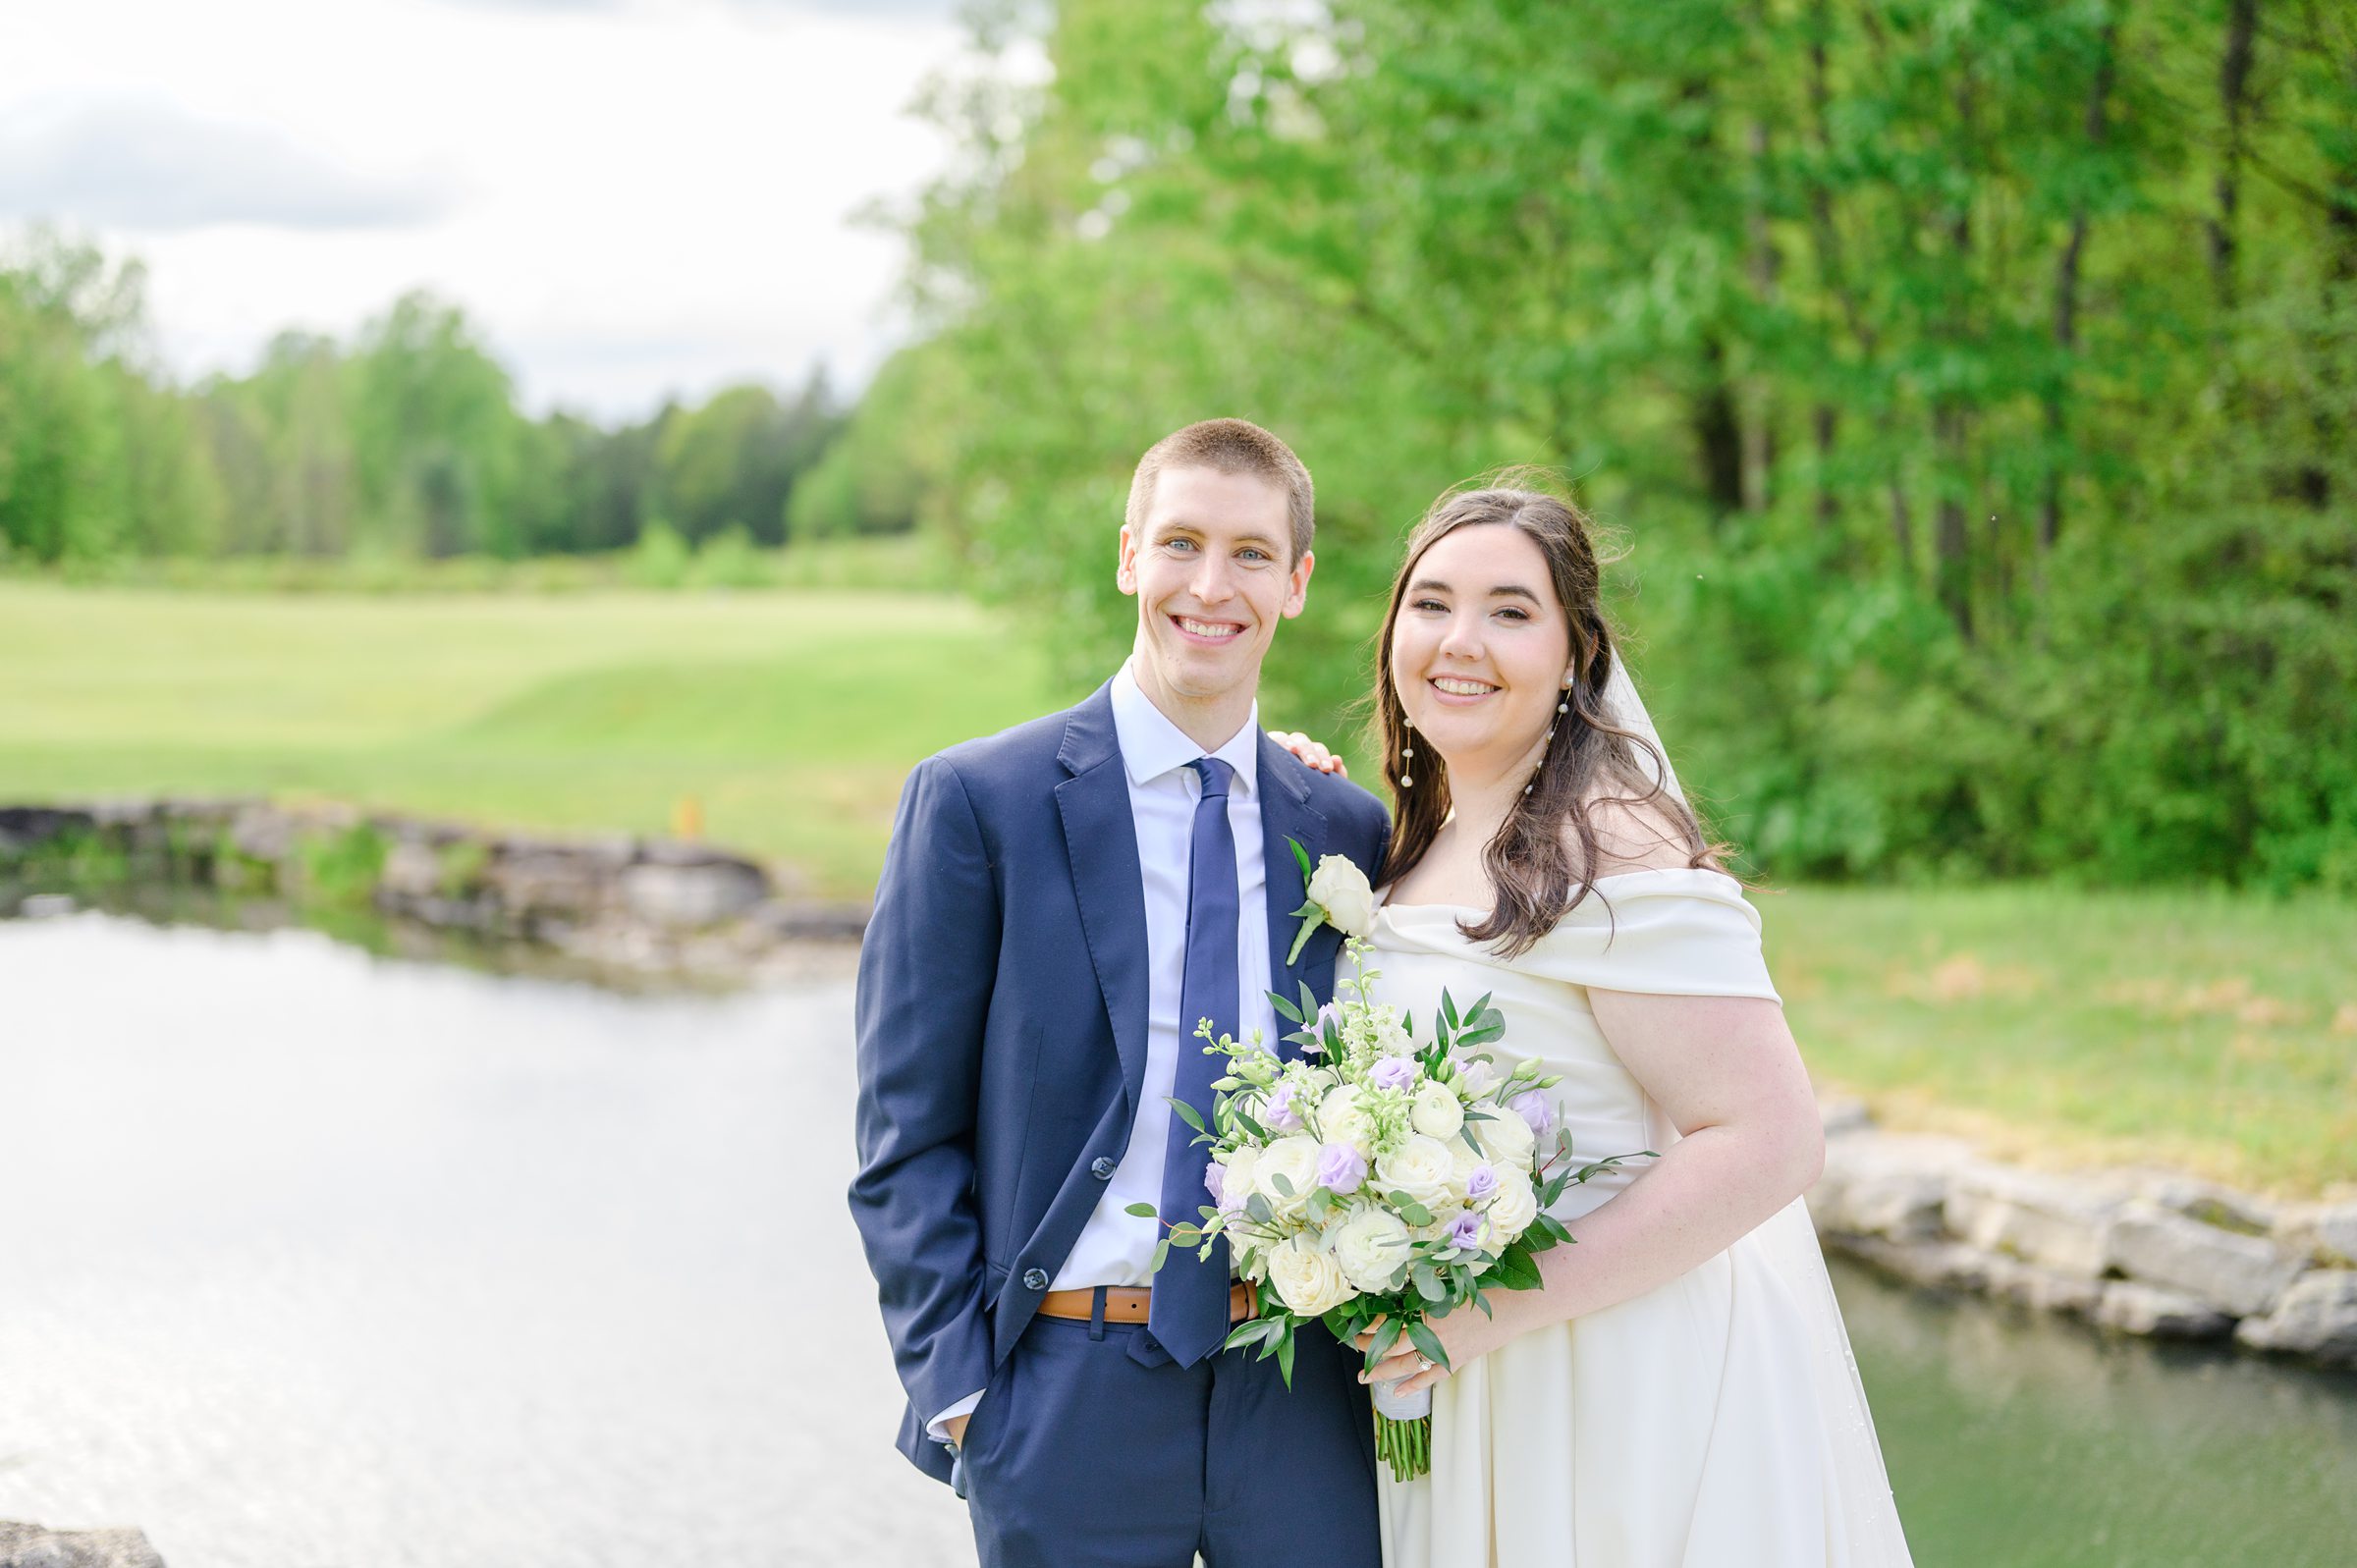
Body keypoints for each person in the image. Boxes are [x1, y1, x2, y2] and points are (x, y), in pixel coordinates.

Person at [1332, 479, 1915, 1566]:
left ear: (1574, 654)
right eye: (1432, 603)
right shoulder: (1421, 841)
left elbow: (1772, 1139)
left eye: (1511, 610)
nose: (1461, 640)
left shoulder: (1611, 842)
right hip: (1461, 1377)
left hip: (1602, 1377)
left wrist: (1486, 1316)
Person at [849, 418, 1392, 1567]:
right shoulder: (979, 802)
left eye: (1251, 554)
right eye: (1181, 542)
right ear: (1128, 556)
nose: (1211, 584)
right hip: (1064, 1395)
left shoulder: (1342, 830)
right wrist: (963, 1395)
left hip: (1295, 1391)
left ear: (1296, 583)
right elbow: (905, 1132)